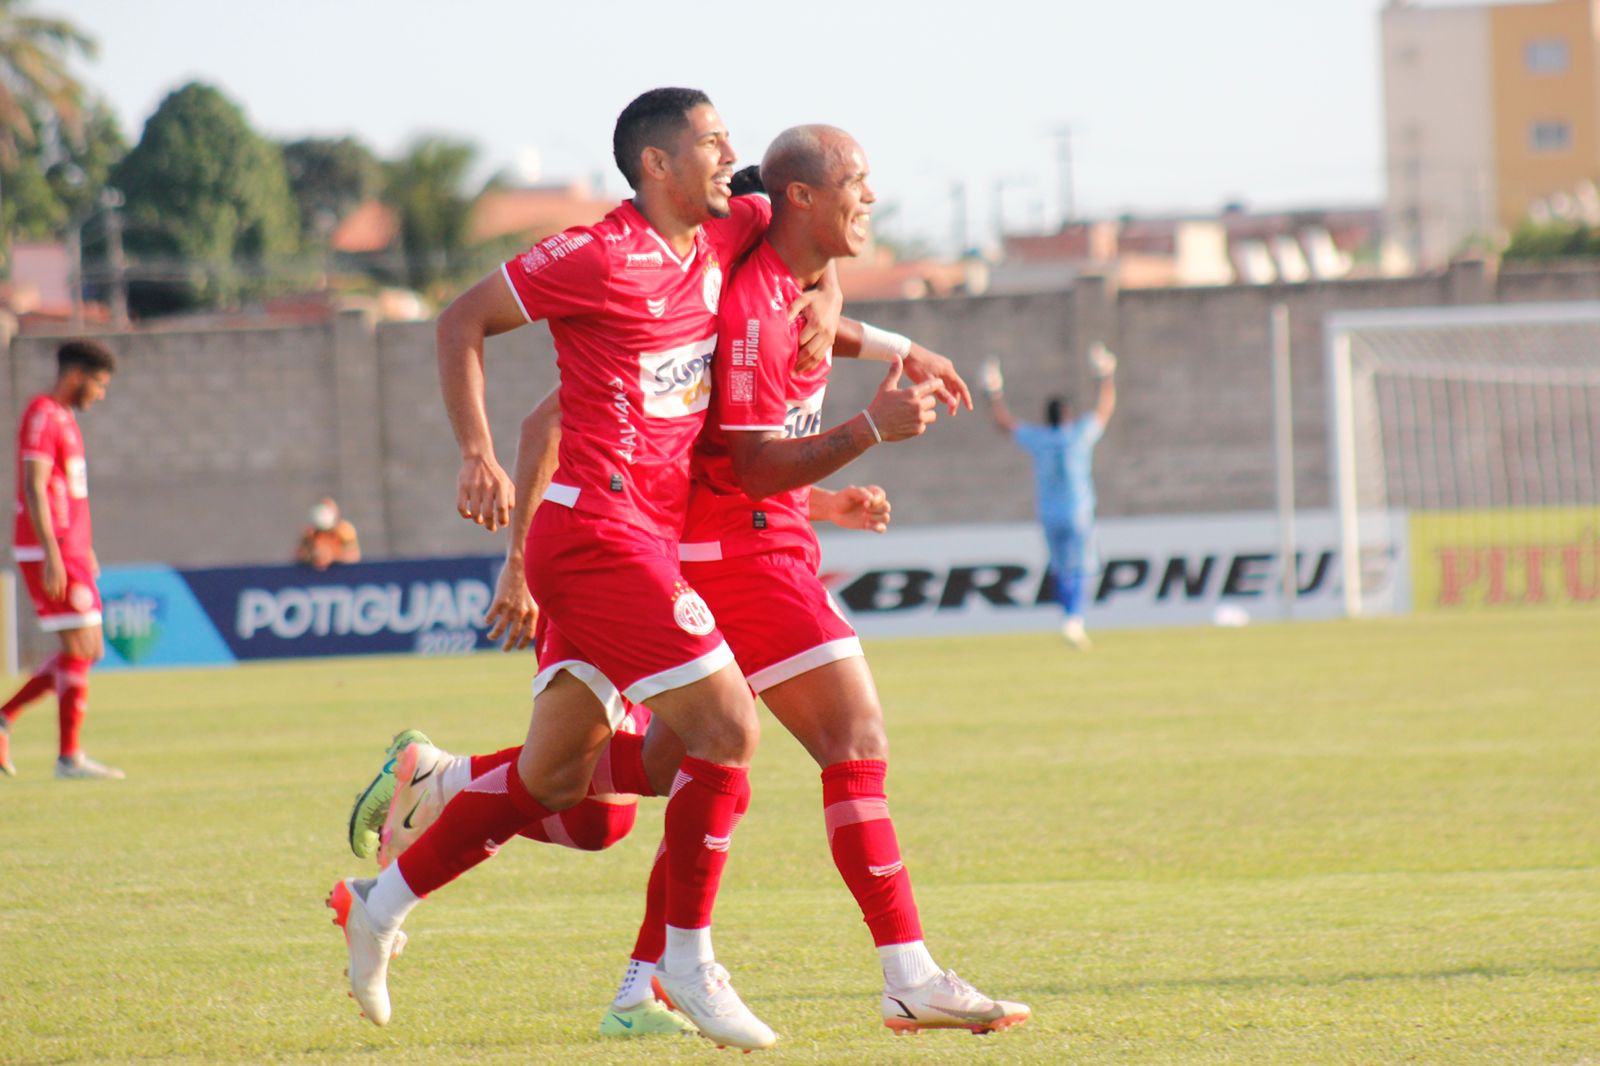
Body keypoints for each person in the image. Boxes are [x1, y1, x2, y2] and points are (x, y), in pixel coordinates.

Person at [351, 126, 1029, 1039]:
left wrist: (876, 348)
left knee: (596, 795)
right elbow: (694, 451)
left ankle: (441, 832)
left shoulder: (732, 259)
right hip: (651, 545)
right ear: (666, 166)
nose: (869, 197)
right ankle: (730, 965)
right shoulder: (648, 275)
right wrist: (510, 545)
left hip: (667, 542)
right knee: (774, 739)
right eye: (710, 139)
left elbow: (784, 312)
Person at [0, 339, 122, 780]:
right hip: (48, 549)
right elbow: (33, 486)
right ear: (76, 376)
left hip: (69, 549)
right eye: (99, 383)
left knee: (87, 649)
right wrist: (52, 552)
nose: (100, 393)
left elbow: (65, 491)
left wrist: (82, 546)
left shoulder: (66, 419)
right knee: (81, 648)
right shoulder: (41, 414)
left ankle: (8, 721)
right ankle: (68, 757)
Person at [981, 345, 1117, 649]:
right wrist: (1105, 376)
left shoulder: (1038, 439)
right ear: (1067, 415)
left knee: (1059, 567)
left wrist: (992, 392)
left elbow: (1005, 424)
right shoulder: (1078, 434)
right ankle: (1074, 619)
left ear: (1046, 417)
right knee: (1081, 565)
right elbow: (1104, 410)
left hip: (1049, 512)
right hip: (1078, 510)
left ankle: (1068, 616)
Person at [293, 497, 360, 569]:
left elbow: (354, 556)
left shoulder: (344, 531)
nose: (323, 535)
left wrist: (332, 556)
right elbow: (298, 556)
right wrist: (313, 556)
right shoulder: (309, 533)